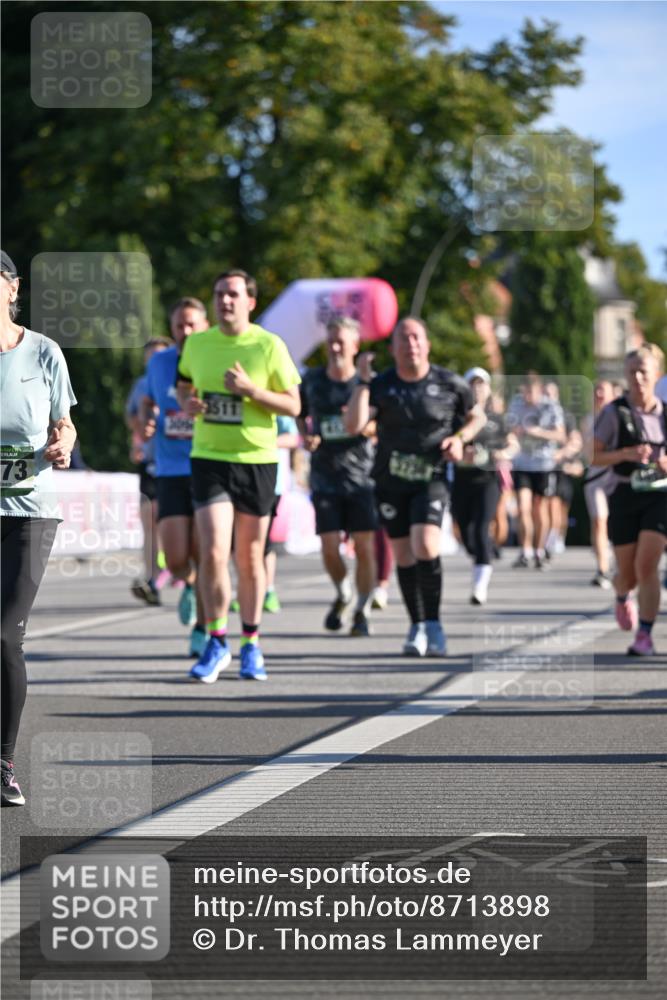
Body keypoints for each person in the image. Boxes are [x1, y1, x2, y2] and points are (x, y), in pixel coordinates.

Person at [176, 269, 301, 682]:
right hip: (209, 457)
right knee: (213, 552)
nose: (224, 301)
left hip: (257, 460)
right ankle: (216, 641)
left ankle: (251, 643)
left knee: (249, 557)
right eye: (219, 294)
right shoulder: (197, 343)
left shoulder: (268, 345)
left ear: (250, 301)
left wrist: (252, 391)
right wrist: (188, 403)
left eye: (232, 294)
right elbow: (184, 384)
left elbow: (294, 405)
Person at [345, 316, 485, 656]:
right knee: (404, 555)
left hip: (431, 477)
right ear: (393, 348)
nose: (411, 344)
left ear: (427, 345)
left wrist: (459, 438)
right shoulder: (381, 385)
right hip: (390, 480)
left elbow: (477, 415)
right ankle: (417, 625)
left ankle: (434, 625)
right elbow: (354, 425)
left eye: (416, 337)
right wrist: (362, 381)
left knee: (425, 544)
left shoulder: (449, 383)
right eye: (403, 339)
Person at [1, 250, 77, 806]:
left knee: (5, 634)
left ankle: (2, 763)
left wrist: (63, 444)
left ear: (12, 289)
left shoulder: (44, 351)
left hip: (30, 511)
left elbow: (64, 422)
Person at [298, 317, 378, 637]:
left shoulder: (366, 382)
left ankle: (362, 609)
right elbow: (300, 413)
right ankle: (344, 592)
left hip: (362, 476)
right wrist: (307, 435)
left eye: (341, 342)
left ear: (355, 346)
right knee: (329, 547)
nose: (334, 347)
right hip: (325, 476)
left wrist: (367, 426)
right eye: (330, 341)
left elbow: (383, 419)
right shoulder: (313, 380)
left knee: (364, 547)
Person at [141, 298, 209, 656]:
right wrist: (146, 421)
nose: (186, 331)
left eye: (192, 324)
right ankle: (190, 585)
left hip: (207, 467)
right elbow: (146, 401)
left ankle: (202, 629)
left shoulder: (213, 358)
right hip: (169, 470)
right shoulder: (159, 363)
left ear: (205, 325)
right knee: (177, 558)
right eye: (180, 325)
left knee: (203, 552)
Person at [593, 344, 667, 656]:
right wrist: (626, 453)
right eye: (632, 372)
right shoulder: (614, 413)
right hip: (624, 493)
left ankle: (645, 635)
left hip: (660, 496)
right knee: (628, 574)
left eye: (643, 372)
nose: (637, 378)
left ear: (656, 375)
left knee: (647, 564)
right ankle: (623, 594)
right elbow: (594, 456)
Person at [451, 367, 519, 605]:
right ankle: (480, 555)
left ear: (488, 389)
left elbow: (513, 444)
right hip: (461, 480)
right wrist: (460, 455)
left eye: (482, 384)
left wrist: (504, 453)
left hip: (487, 481)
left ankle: (479, 586)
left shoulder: (497, 419)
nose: (477, 389)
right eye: (473, 384)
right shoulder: (456, 417)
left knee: (481, 529)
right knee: (466, 534)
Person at [126, 337, 171, 606]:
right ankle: (152, 579)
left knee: (171, 523)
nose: (154, 361)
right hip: (150, 462)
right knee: (149, 521)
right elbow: (131, 417)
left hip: (177, 464)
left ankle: (178, 571)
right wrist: (139, 437)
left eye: (159, 356)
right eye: (150, 356)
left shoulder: (181, 380)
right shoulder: (141, 385)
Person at [507, 372, 565, 569]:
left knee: (540, 509)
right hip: (522, 463)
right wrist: (515, 433)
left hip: (543, 464)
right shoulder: (516, 404)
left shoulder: (551, 406)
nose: (527, 397)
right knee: (523, 508)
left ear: (539, 390)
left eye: (531, 392)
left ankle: (539, 550)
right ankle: (525, 551)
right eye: (525, 392)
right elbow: (509, 429)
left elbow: (560, 435)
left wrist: (539, 432)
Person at [582, 380, 615, 587]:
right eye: (597, 390)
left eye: (604, 390)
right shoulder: (588, 420)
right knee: (599, 521)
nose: (599, 394)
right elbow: (586, 451)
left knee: (617, 522)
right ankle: (602, 569)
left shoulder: (620, 417)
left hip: (617, 478)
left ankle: (618, 560)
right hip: (596, 477)